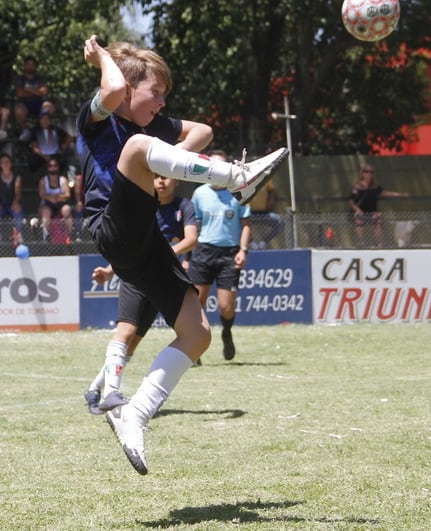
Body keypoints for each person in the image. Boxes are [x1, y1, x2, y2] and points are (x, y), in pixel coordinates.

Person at [77, 35, 286, 474]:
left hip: (145, 240)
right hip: (110, 230)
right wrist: (99, 58)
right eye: (157, 93)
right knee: (137, 150)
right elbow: (113, 91)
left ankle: (134, 414)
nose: (162, 103)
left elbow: (202, 132)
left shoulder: (149, 128)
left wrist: (166, 158)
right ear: (131, 88)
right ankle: (237, 178)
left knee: (198, 334)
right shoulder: (97, 120)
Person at [83, 174, 198, 414]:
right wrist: (108, 271)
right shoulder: (145, 204)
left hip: (161, 278)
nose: (161, 181)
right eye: (156, 177)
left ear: (175, 181)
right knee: (126, 332)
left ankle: (94, 388)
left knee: (133, 344)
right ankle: (111, 395)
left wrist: (166, 254)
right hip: (135, 276)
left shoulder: (184, 206)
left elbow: (192, 239)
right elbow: (132, 248)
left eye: (166, 177)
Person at [189, 149, 252, 362]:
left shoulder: (238, 192)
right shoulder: (199, 193)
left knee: (226, 306)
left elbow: (245, 225)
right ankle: (195, 346)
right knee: (197, 304)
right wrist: (187, 258)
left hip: (229, 254)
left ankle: (226, 332)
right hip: (203, 252)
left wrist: (243, 250)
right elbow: (192, 229)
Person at [348, 163, 407, 247]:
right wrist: (357, 209)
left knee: (379, 217)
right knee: (358, 218)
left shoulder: (375, 186)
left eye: (371, 172)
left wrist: (399, 195)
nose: (369, 174)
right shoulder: (358, 186)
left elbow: (384, 193)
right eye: (366, 172)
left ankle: (377, 242)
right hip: (360, 211)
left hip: (371, 212)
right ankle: (360, 242)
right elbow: (351, 200)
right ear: (362, 174)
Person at [0, 153, 24, 243]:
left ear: (11, 163)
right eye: (3, 162)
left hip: (12, 202)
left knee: (18, 209)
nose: (5, 164)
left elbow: (18, 191)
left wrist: (15, 202)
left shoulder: (17, 176)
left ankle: (18, 233)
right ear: (0, 164)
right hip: (1, 203)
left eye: (7, 162)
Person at [37, 156, 72, 242]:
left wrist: (56, 197)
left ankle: (69, 236)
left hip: (60, 204)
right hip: (47, 204)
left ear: (58, 167)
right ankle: (45, 237)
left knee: (67, 209)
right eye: (50, 165)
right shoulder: (43, 180)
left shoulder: (63, 180)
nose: (53, 167)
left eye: (55, 165)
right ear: (47, 167)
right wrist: (52, 197)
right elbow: (42, 194)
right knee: (46, 212)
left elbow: (67, 194)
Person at [247, 177, 284, 250]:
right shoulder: (246, 180)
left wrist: (271, 202)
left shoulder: (266, 179)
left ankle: (263, 243)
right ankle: (251, 243)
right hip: (250, 214)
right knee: (237, 224)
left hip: (265, 214)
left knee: (280, 222)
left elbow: (272, 192)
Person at [13, 55, 49, 128]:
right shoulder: (20, 78)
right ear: (24, 66)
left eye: (32, 64)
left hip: (39, 103)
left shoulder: (40, 78)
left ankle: (42, 130)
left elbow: (44, 92)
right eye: (28, 64)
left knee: (50, 107)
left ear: (36, 66)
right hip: (23, 103)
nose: (30, 66)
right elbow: (19, 93)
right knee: (19, 111)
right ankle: (25, 130)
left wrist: (28, 89)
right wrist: (37, 92)